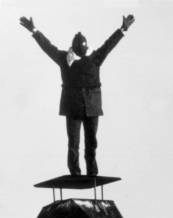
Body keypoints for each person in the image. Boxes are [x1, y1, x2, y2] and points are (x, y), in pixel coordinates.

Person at [19, 15, 135, 176]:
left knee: (91, 142)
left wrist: (122, 30)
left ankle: (92, 172)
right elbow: (47, 46)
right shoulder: (66, 59)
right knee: (74, 143)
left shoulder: (94, 58)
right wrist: (34, 31)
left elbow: (109, 45)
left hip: (91, 106)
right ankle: (75, 173)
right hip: (74, 107)